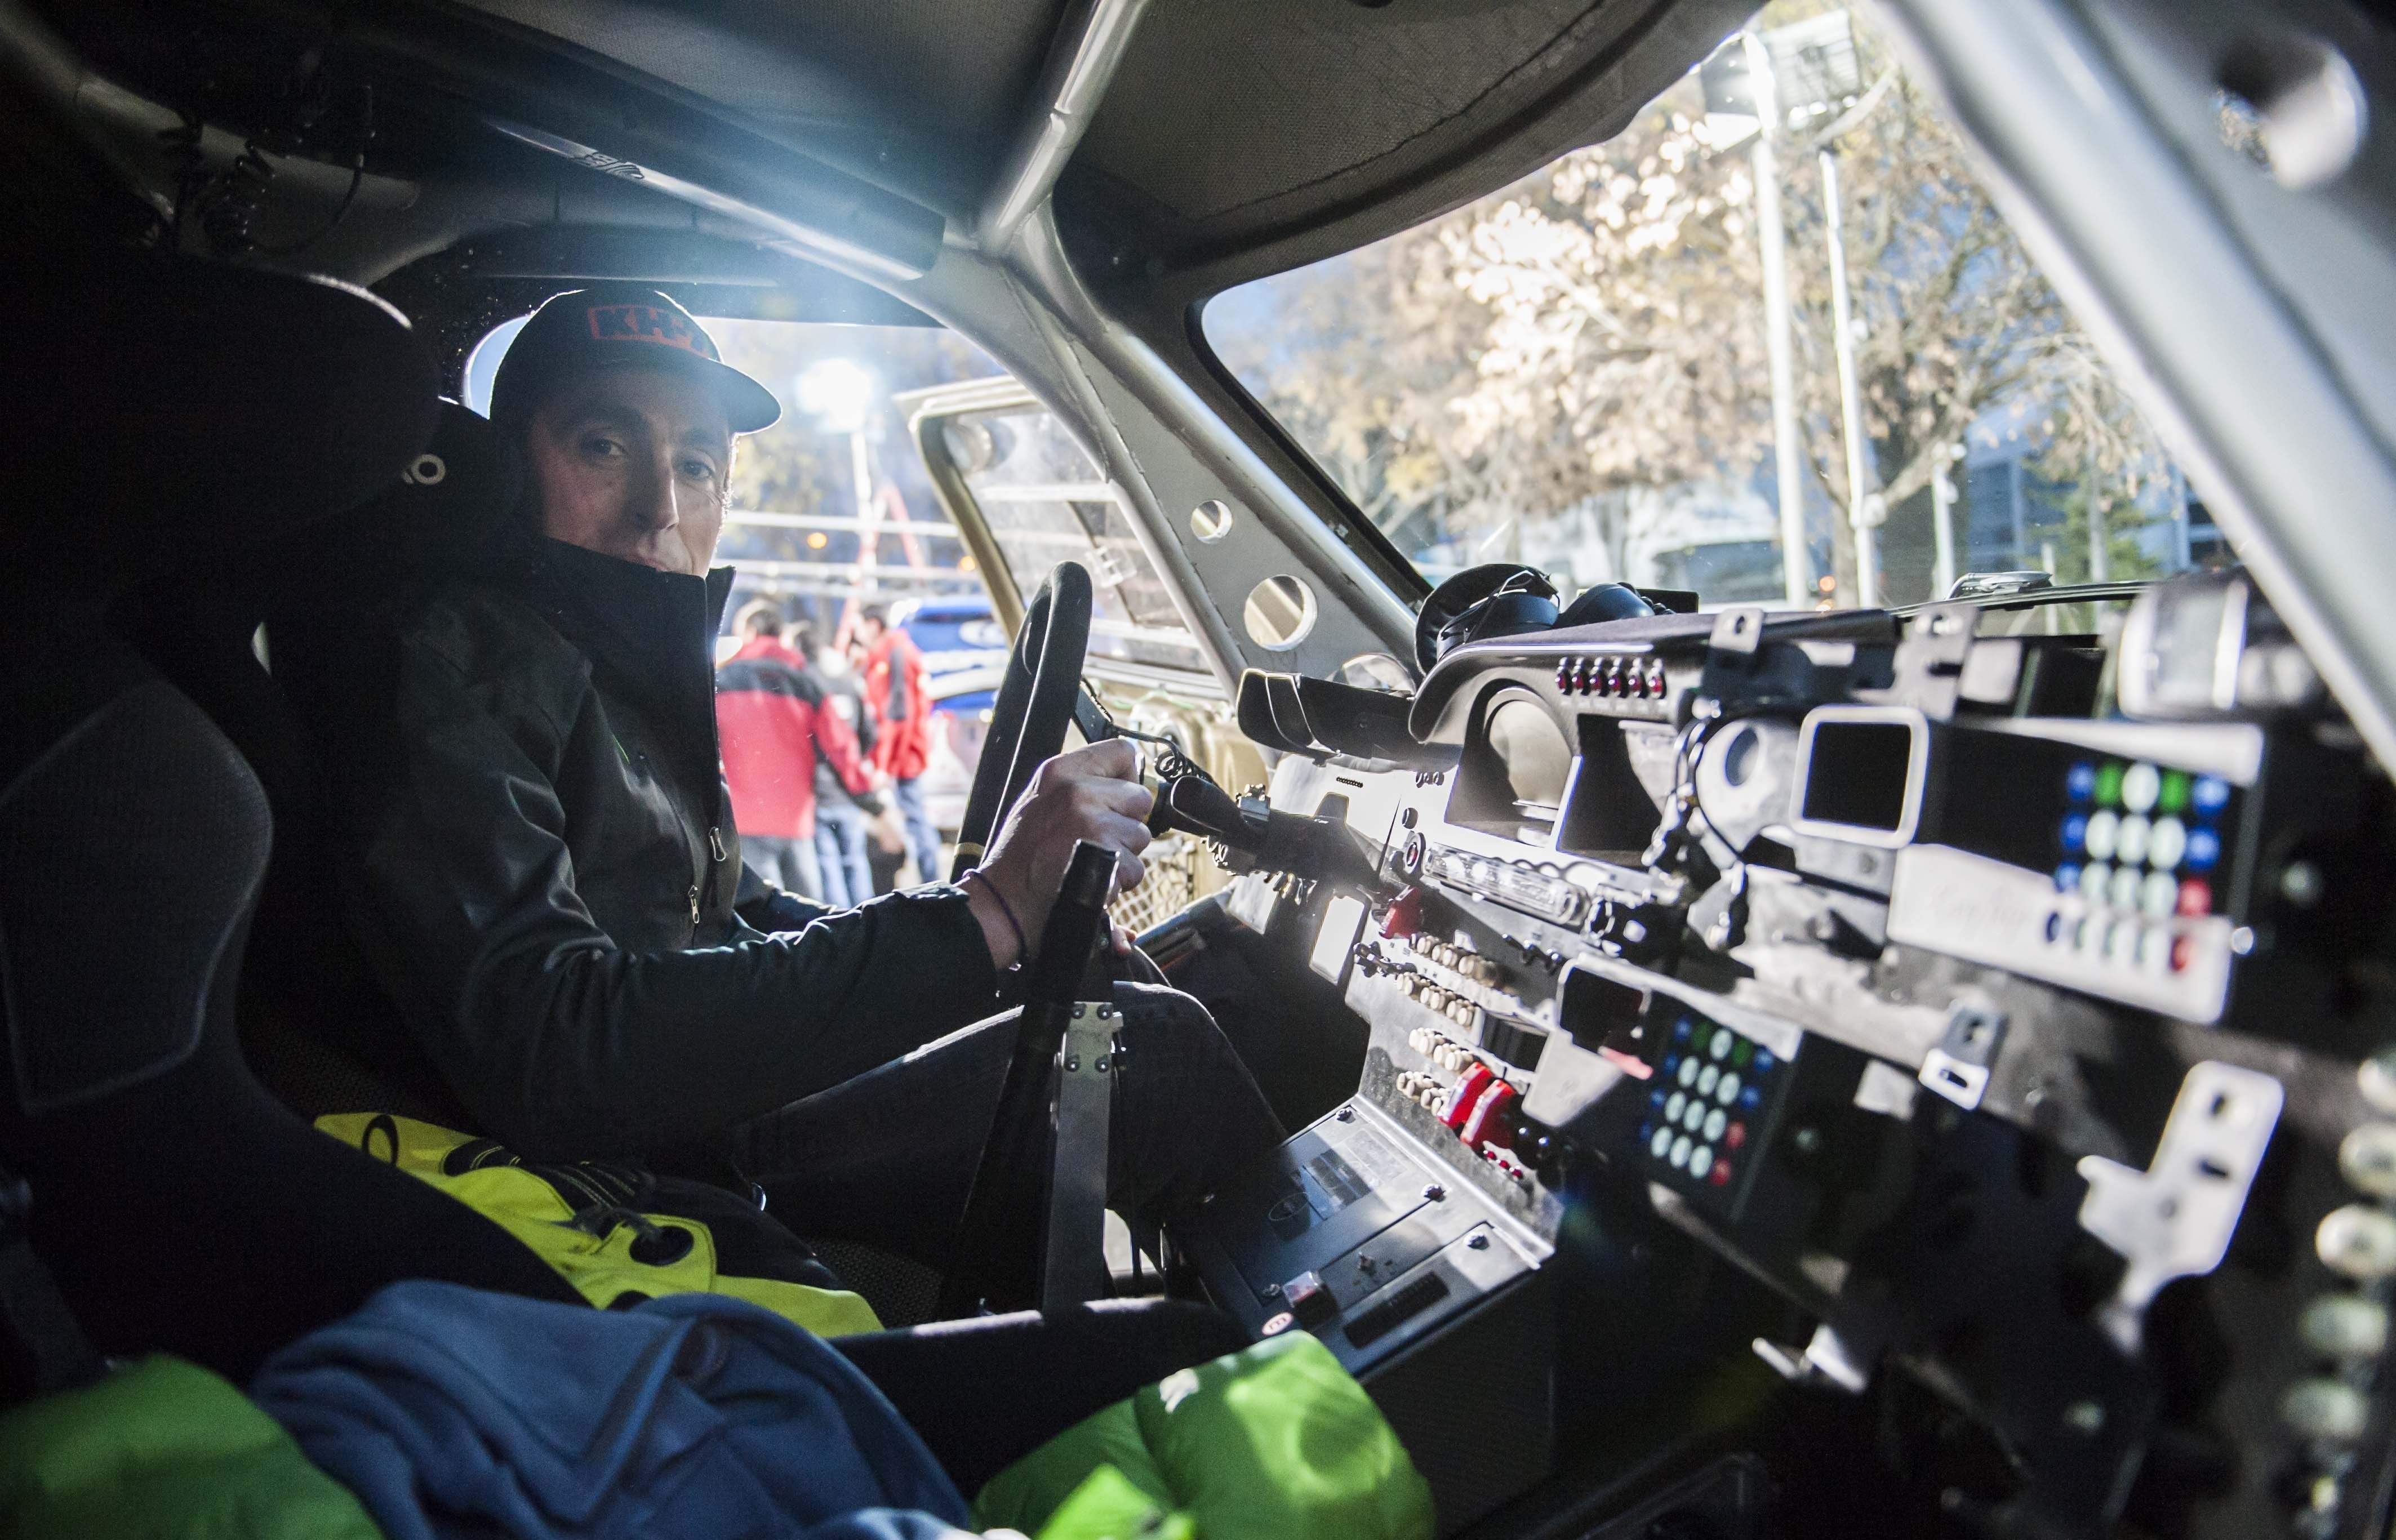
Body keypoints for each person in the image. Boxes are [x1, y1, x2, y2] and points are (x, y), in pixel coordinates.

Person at [327, 285, 1281, 1342]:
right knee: (1160, 1056)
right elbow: (552, 1045)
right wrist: (983, 913)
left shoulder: (608, 669)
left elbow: (736, 912)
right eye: (605, 445)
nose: (659, 506)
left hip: (697, 1117)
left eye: (696, 464)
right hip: (643, 1170)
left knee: (1169, 983)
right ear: (511, 466)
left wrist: (980, 945)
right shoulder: (461, 659)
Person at [714, 603, 881, 902]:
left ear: (749, 633)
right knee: (807, 913)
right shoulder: (806, 685)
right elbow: (842, 747)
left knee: (760, 916)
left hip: (745, 821)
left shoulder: (722, 683)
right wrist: (872, 803)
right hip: (798, 823)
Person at [855, 606, 942, 885]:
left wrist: (884, 764)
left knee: (915, 819)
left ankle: (931, 885)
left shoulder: (895, 653)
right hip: (901, 753)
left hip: (903, 755)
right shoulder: (889, 653)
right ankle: (929, 882)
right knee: (913, 819)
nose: (857, 634)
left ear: (873, 625)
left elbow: (897, 714)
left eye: (859, 627)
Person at [811, 633, 882, 907]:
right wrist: (857, 759)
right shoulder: (849, 684)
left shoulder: (809, 686)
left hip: (820, 791)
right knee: (855, 861)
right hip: (850, 791)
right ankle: (866, 919)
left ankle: (839, 922)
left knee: (829, 866)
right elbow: (869, 732)